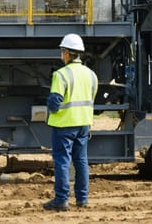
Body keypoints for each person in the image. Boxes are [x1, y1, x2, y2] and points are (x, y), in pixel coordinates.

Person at [43, 33, 98, 211]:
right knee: (81, 161)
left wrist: (51, 108)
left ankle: (61, 199)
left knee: (62, 161)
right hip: (83, 123)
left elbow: (54, 102)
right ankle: (82, 199)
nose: (61, 54)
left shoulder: (61, 75)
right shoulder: (91, 75)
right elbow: (91, 98)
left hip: (64, 125)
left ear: (67, 53)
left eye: (62, 51)